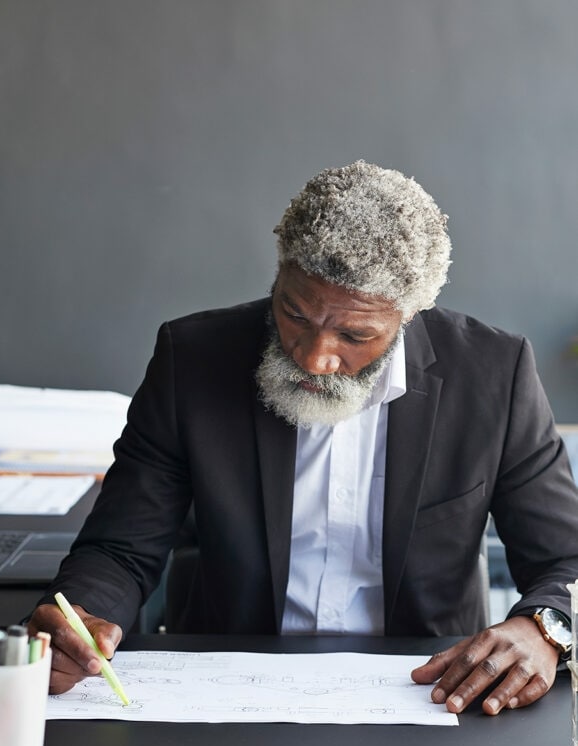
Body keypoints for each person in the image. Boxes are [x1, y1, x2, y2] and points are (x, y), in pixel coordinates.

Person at [29, 160, 578, 716]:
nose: (314, 357)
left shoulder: (493, 376)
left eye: (355, 334)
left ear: (408, 317)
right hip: (226, 686)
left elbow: (567, 558)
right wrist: (79, 617)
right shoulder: (191, 360)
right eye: (294, 313)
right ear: (279, 274)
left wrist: (546, 628)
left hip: (428, 690)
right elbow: (121, 549)